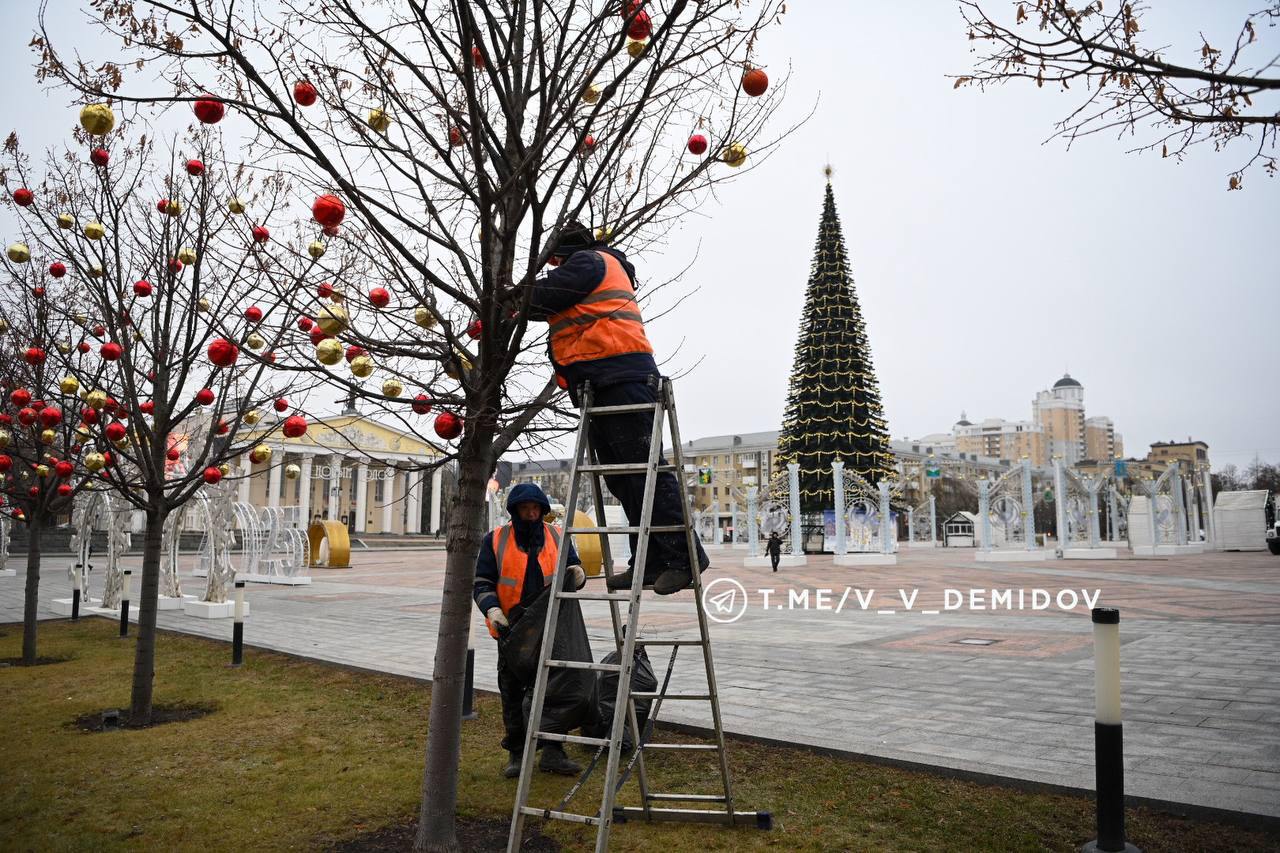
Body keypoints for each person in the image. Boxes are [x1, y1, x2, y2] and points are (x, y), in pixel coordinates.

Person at [527, 221, 709, 595]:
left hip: (622, 378)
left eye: (555, 260)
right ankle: (651, 561)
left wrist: (511, 296)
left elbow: (542, 296)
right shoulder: (591, 267)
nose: (555, 267)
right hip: (603, 384)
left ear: (562, 254)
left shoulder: (590, 262)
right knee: (624, 480)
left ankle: (684, 558)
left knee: (645, 474)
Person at [472, 483, 589, 778]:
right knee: (512, 692)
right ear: (514, 511)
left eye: (535, 509)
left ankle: (553, 751)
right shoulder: (496, 540)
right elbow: (482, 582)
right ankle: (518, 752)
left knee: (553, 690)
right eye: (525, 509)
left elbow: (572, 567)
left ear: (543, 511)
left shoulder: (555, 535)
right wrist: (492, 610)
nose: (531, 514)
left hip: (551, 628)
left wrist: (578, 572)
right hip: (512, 630)